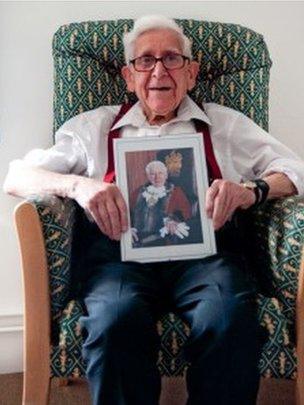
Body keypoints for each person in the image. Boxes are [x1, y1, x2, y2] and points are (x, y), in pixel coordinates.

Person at [3, 14, 304, 405]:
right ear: (130, 76)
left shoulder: (224, 125)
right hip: (118, 260)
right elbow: (17, 175)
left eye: (172, 59)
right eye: (145, 60)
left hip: (206, 256)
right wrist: (78, 186)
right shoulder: (93, 128)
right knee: (114, 323)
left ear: (191, 72)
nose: (158, 70)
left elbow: (296, 170)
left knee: (228, 319)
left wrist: (252, 191)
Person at [130, 160, 193, 247]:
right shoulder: (137, 192)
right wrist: (129, 228)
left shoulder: (176, 192)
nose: (157, 177)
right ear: (148, 176)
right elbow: (128, 213)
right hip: (137, 237)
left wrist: (172, 220)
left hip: (163, 237)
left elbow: (187, 212)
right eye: (152, 174)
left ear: (166, 175)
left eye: (160, 173)